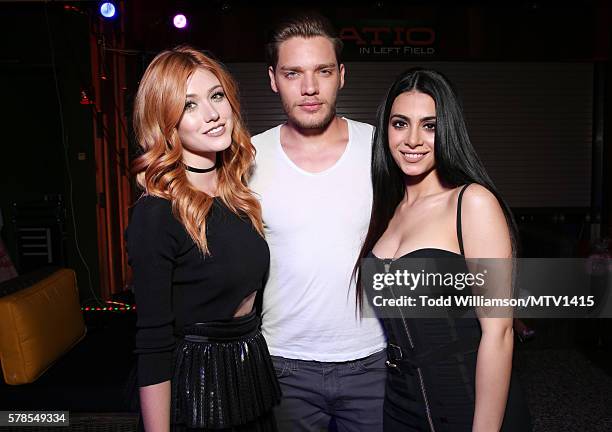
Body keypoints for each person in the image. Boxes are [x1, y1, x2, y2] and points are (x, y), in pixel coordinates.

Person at [354, 68, 532, 431]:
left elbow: (498, 334)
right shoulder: (387, 209)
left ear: (448, 129)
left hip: (466, 400)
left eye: (430, 125)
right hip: (400, 403)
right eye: (400, 124)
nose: (413, 139)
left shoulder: (472, 203)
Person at [126, 45, 280, 431]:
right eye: (189, 105)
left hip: (249, 372)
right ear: (166, 121)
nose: (212, 115)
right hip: (198, 388)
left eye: (216, 96)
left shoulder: (236, 193)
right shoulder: (157, 213)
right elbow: (154, 343)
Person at [248, 13, 387, 432]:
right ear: (274, 79)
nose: (309, 88)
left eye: (322, 71)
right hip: (283, 364)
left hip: (374, 362)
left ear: (341, 75)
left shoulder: (382, 148)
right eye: (293, 73)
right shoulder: (246, 158)